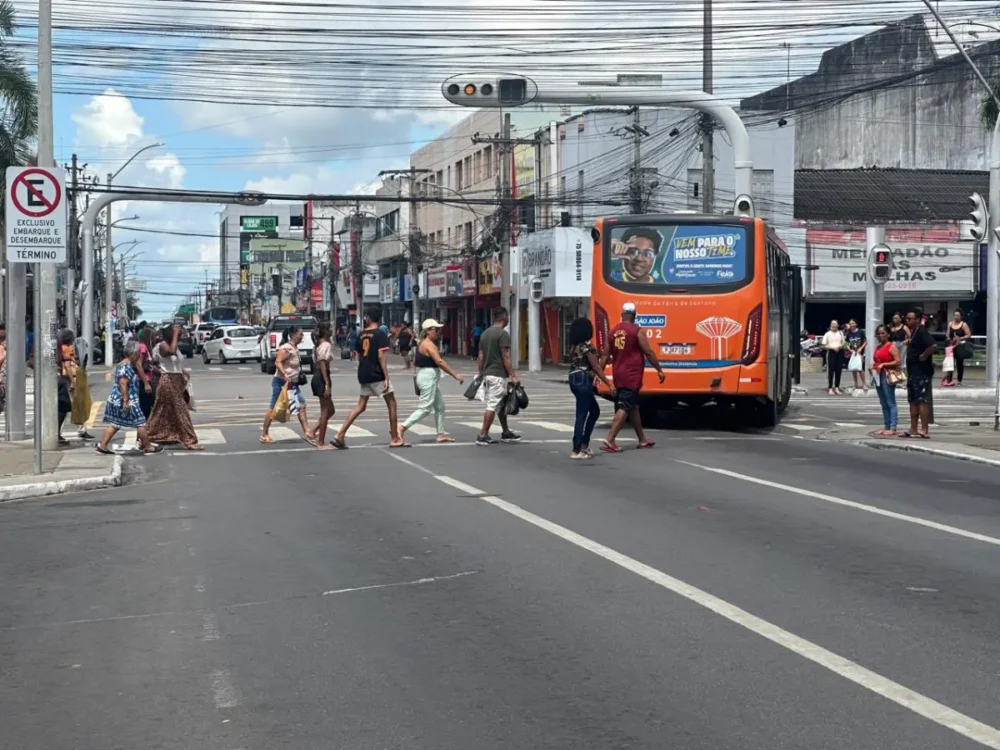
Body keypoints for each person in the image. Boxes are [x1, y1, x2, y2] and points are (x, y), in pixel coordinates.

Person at [333, 309, 406, 449]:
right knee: (391, 403)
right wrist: (386, 376)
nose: (365, 318)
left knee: (361, 405)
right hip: (376, 373)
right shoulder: (380, 334)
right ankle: (395, 438)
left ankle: (340, 434)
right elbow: (381, 356)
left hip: (363, 372)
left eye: (366, 316)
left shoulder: (362, 334)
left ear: (369, 318)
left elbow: (359, 355)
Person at [598, 301, 664, 452]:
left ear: (622, 315)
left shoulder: (613, 331)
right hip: (632, 376)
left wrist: (599, 374)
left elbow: (605, 355)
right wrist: (659, 369)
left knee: (633, 406)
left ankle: (642, 439)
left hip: (619, 374)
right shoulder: (637, 331)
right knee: (625, 406)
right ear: (634, 316)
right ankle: (610, 439)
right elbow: (648, 352)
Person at [398, 319, 464, 445]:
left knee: (440, 406)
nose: (438, 332)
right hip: (428, 376)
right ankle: (402, 427)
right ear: (428, 331)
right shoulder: (428, 344)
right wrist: (455, 375)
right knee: (425, 408)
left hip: (428, 375)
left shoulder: (424, 343)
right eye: (436, 329)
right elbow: (439, 361)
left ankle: (440, 434)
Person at [95, 341, 162, 455]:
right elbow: (123, 384)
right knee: (140, 422)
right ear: (132, 354)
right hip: (127, 400)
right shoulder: (125, 367)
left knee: (115, 424)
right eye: (137, 353)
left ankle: (103, 446)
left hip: (117, 400)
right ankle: (148, 447)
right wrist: (126, 401)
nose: (139, 356)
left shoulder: (124, 365)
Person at [146, 324, 202, 450]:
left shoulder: (175, 346)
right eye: (176, 332)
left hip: (177, 381)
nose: (179, 333)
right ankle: (190, 440)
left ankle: (147, 437)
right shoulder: (163, 345)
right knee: (181, 410)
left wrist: (183, 372)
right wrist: (175, 334)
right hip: (168, 381)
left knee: (161, 412)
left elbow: (176, 363)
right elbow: (169, 353)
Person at [567, 317, 614, 460]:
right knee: (583, 414)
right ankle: (577, 448)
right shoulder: (587, 347)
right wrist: (608, 383)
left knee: (593, 411)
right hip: (583, 380)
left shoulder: (573, 347)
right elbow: (596, 367)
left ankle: (584, 444)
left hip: (573, 378)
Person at [260, 325, 316, 444]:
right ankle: (264, 434)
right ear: (293, 335)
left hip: (292, 383)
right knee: (273, 407)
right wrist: (284, 374)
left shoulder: (294, 348)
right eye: (300, 334)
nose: (302, 336)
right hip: (281, 382)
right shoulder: (286, 348)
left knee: (301, 405)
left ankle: (307, 431)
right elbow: (278, 362)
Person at [476, 308, 520, 446]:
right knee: (493, 404)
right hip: (497, 375)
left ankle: (506, 432)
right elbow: (505, 356)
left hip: (488, 373)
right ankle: (483, 434)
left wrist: (481, 373)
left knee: (501, 405)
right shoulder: (502, 334)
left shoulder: (485, 334)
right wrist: (513, 375)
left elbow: (480, 356)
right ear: (504, 318)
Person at [903, 309, 936, 439]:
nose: (907, 321)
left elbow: (933, 345)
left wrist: (924, 355)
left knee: (922, 400)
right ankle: (913, 429)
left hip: (921, 372)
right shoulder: (913, 333)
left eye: (910, 319)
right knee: (913, 400)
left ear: (917, 320)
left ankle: (924, 429)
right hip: (913, 371)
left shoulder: (921, 331)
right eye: (907, 318)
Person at [870, 325, 901, 437]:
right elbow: (877, 360)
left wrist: (884, 364)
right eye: (879, 334)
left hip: (888, 375)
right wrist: (873, 367)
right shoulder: (878, 347)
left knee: (890, 401)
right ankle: (886, 426)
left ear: (888, 334)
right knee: (883, 402)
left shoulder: (891, 346)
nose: (880, 336)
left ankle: (893, 427)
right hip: (878, 375)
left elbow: (898, 361)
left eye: (883, 333)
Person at [310, 322, 336, 449]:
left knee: (331, 410)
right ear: (326, 331)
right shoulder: (325, 345)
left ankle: (313, 431)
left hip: (318, 376)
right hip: (321, 376)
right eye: (330, 329)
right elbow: (322, 364)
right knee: (325, 411)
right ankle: (320, 442)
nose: (332, 331)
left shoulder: (317, 345)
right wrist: (327, 383)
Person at [943, 309, 972, 387]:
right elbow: (947, 334)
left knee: (959, 363)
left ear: (961, 316)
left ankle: (959, 380)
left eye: (958, 316)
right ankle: (949, 380)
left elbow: (968, 335)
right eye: (955, 315)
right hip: (951, 346)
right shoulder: (950, 324)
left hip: (960, 346)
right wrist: (949, 339)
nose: (956, 317)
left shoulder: (964, 324)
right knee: (950, 363)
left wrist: (960, 338)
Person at [821, 319, 845, 395]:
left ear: (838, 325)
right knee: (830, 371)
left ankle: (837, 387)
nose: (834, 325)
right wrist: (832, 348)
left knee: (838, 371)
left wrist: (839, 347)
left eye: (835, 324)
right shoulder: (827, 334)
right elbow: (824, 345)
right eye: (832, 324)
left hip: (840, 352)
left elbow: (843, 343)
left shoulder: (840, 333)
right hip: (831, 353)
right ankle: (830, 388)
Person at [844, 319, 867, 393]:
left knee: (861, 369)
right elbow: (846, 343)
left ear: (856, 324)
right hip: (853, 353)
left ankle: (864, 384)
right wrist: (849, 349)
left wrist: (861, 348)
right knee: (854, 369)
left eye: (853, 323)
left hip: (860, 353)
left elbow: (865, 341)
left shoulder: (861, 332)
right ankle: (856, 384)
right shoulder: (849, 333)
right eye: (850, 324)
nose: (851, 325)